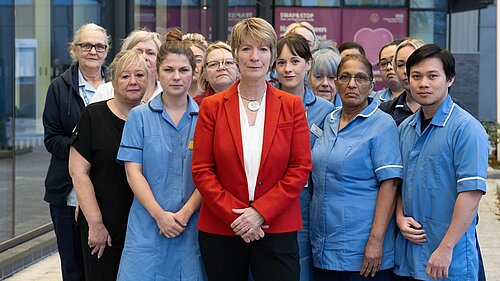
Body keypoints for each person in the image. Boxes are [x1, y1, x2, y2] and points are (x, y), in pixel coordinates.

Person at [192, 17, 312, 281]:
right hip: (222, 228)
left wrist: (259, 212)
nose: (254, 57)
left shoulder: (291, 106)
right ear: (235, 54)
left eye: (263, 49)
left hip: (276, 225)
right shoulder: (212, 107)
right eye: (246, 48)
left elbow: (299, 168)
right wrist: (238, 217)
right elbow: (202, 170)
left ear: (271, 56)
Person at [394, 44, 488, 281]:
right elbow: (398, 182)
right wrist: (399, 216)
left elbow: (471, 194)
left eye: (432, 76)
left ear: (450, 79)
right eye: (416, 76)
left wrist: (446, 247)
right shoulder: (405, 129)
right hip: (410, 254)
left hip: (449, 258)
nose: (423, 83)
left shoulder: (466, 129)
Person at [116, 35, 206, 280]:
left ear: (194, 73)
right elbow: (132, 172)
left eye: (183, 70)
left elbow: (210, 173)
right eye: (169, 69)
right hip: (148, 226)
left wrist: (184, 214)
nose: (176, 76)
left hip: (191, 227)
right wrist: (159, 215)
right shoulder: (139, 117)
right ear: (157, 73)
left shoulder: (207, 118)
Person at [310, 54, 402, 281]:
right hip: (324, 246)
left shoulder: (382, 124)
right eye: (345, 77)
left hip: (361, 250)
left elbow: (390, 184)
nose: (352, 84)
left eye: (360, 78)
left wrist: (376, 241)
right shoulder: (329, 120)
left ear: (371, 86)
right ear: (336, 83)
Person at [68, 49, 149, 281]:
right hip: (103, 225)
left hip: (143, 226)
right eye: (125, 76)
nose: (133, 81)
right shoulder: (94, 116)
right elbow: (78, 172)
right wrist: (95, 224)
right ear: (113, 80)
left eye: (140, 75)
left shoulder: (153, 117)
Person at [43, 22, 109, 281]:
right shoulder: (58, 87)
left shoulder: (118, 83)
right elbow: (51, 139)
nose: (93, 51)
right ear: (75, 49)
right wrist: (83, 148)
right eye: (86, 45)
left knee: (104, 266)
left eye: (99, 46)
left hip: (107, 191)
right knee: (73, 269)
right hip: (67, 193)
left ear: (106, 50)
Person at [275, 33, 334, 281]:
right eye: (281, 62)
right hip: (272, 202)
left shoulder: (325, 111)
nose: (288, 69)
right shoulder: (263, 103)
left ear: (308, 64)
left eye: (295, 61)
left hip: (309, 204)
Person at [90, 29, 162, 104]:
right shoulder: (105, 92)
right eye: (138, 52)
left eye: (150, 53)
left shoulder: (167, 93)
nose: (144, 57)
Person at [379, 38, 426, 126]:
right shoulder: (385, 110)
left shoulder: (453, 110)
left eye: (411, 63)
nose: (405, 71)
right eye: (400, 65)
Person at [194, 41, 239, 105]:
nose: (221, 67)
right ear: (205, 74)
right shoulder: (195, 105)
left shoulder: (248, 99)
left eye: (228, 62)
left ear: (238, 69)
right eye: (213, 64)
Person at [309, 41, 342, 107]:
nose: (325, 83)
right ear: (309, 78)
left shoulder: (350, 110)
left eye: (331, 77)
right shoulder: (299, 108)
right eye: (318, 77)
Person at [183, 33, 209, 98]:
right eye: (187, 60)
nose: (193, 65)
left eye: (198, 60)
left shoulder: (214, 98)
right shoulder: (170, 97)